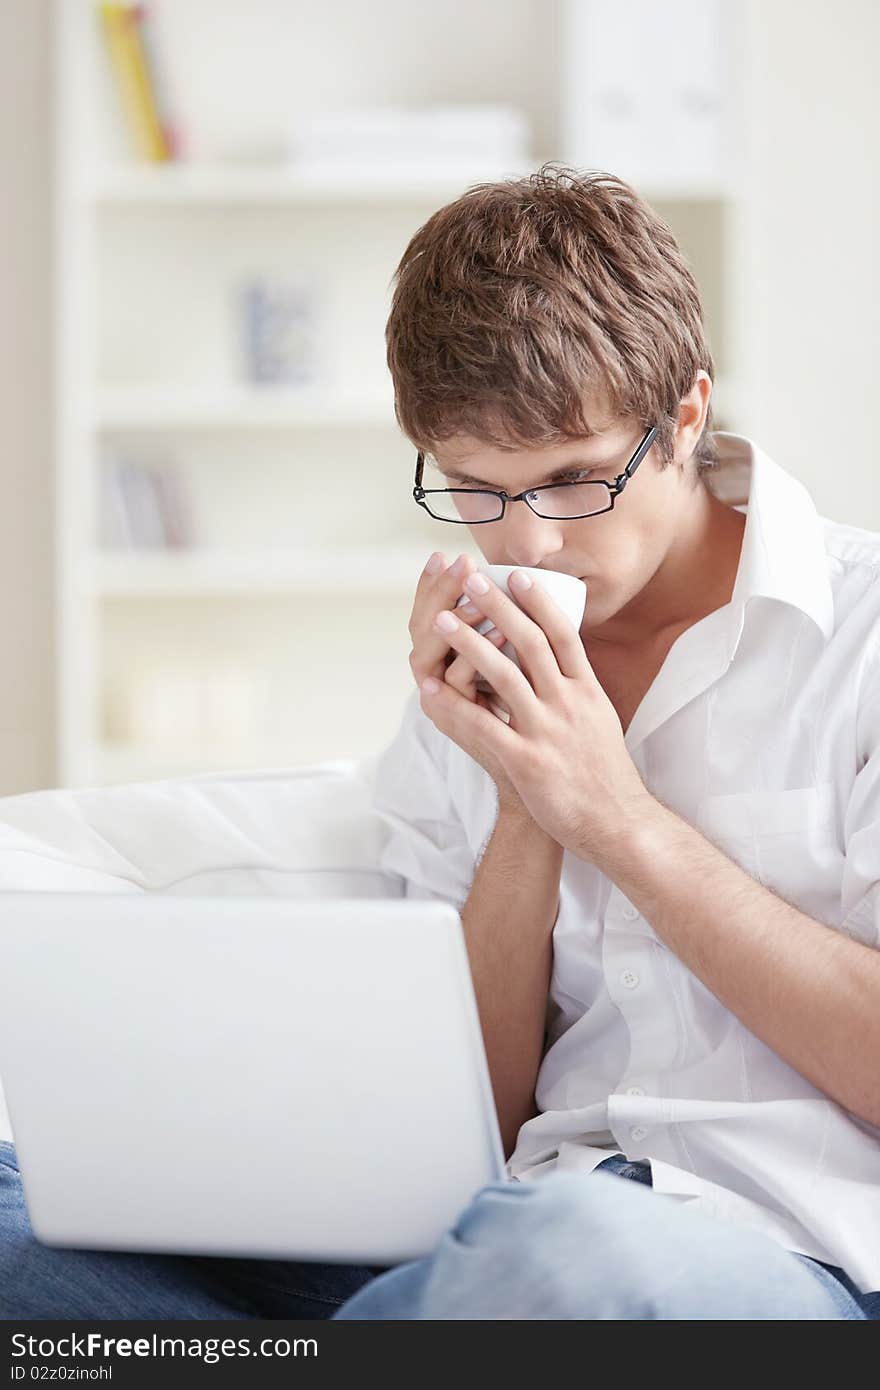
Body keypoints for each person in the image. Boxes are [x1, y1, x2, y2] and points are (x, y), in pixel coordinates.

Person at [2, 166, 879, 1320]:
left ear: (685, 417)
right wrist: (525, 794)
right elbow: (479, 1115)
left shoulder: (856, 638)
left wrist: (609, 815)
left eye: (573, 482)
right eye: (474, 487)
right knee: (24, 1217)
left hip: (772, 1249)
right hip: (496, 1215)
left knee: (567, 1258)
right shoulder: (478, 671)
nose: (528, 542)